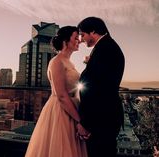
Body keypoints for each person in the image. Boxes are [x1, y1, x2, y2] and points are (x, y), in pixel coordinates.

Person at [25, 26, 88, 157]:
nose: (79, 41)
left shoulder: (69, 62)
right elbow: (61, 96)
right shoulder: (56, 62)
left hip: (72, 109)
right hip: (60, 112)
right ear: (66, 41)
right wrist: (79, 121)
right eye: (76, 38)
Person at [77, 17, 125, 157]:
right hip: (104, 116)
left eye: (83, 34)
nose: (81, 39)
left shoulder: (105, 49)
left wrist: (85, 123)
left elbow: (95, 89)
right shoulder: (106, 47)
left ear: (92, 31)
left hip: (101, 118)